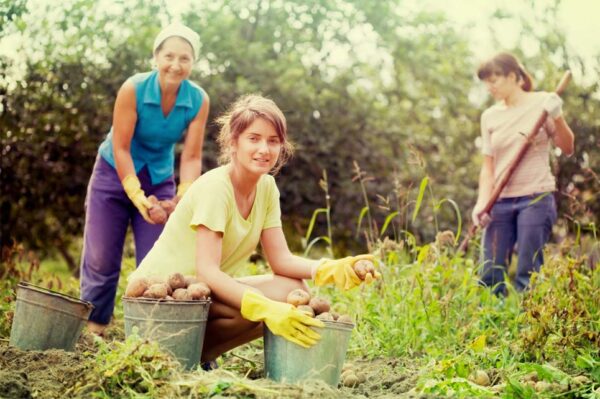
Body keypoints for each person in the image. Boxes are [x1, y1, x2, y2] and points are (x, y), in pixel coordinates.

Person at [129, 94, 377, 367]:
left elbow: (281, 260)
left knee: (292, 291)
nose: (264, 149)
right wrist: (263, 307)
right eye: (254, 138)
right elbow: (207, 272)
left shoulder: (267, 187)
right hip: (158, 302)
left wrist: (333, 268)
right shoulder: (216, 188)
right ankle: (177, 356)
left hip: (199, 297)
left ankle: (200, 357)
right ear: (233, 142)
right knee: (264, 306)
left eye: (273, 141)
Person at [80, 23, 210, 335]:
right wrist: (138, 198)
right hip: (113, 173)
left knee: (159, 260)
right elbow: (121, 147)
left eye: (184, 58)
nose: (175, 65)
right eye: (168, 56)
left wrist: (181, 197)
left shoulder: (197, 99)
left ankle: (152, 333)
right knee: (100, 258)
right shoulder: (133, 89)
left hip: (159, 178)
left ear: (193, 62)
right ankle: (94, 329)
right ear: (155, 57)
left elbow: (191, 157)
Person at [472, 52, 575, 296]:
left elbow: (568, 147)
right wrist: (481, 203)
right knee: (490, 271)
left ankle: (527, 327)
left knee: (528, 273)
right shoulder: (489, 116)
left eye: (494, 80)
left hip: (535, 198)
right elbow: (488, 167)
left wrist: (557, 116)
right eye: (485, 81)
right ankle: (492, 326)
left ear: (513, 76)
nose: (489, 87)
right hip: (500, 202)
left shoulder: (543, 103)